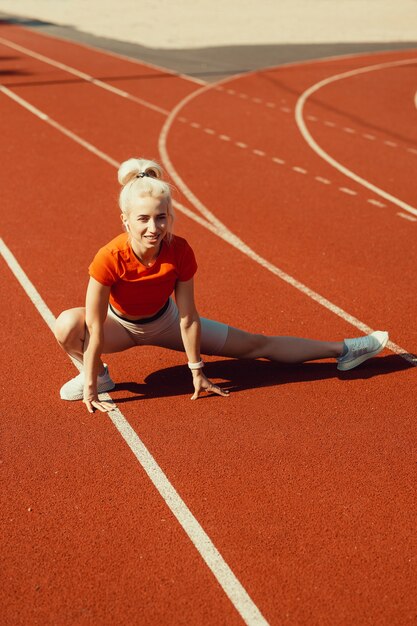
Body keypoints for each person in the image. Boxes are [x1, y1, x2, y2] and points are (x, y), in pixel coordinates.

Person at [55, 157, 389, 413]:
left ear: (169, 216)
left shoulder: (180, 250)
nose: (153, 227)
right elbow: (96, 327)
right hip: (120, 326)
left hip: (167, 321)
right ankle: (100, 375)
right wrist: (89, 384)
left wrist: (197, 370)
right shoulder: (109, 257)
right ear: (126, 220)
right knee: (68, 324)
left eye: (161, 217)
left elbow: (187, 317)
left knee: (258, 345)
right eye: (143, 219)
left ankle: (343, 350)